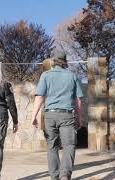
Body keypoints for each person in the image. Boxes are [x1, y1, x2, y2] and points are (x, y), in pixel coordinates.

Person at [31, 50, 83, 180]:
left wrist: (34, 116)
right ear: (65, 62)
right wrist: (79, 118)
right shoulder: (72, 76)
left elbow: (39, 97)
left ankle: (54, 177)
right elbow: (77, 100)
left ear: (54, 61)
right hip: (67, 115)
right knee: (69, 145)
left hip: (50, 116)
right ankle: (65, 175)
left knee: (52, 146)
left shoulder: (46, 75)